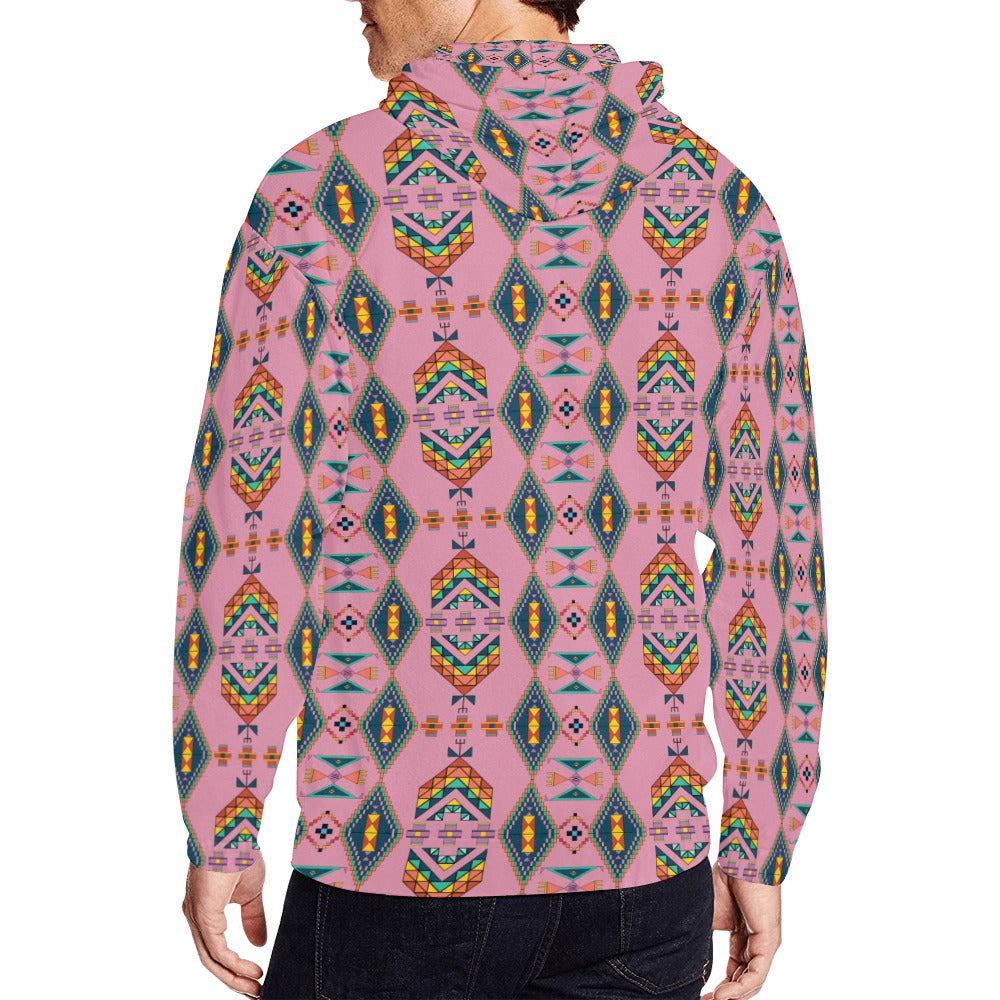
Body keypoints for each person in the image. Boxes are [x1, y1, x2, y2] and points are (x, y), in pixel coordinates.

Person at [171, 1, 830, 997]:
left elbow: (251, 531)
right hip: (643, 861)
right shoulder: (718, 201)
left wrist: (223, 809)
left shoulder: (323, 192)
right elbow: (771, 548)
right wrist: (758, 829)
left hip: (392, 859)